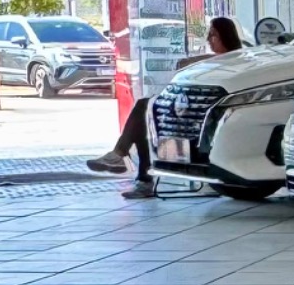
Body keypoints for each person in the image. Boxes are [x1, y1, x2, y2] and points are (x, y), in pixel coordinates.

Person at [88, 15, 243, 198]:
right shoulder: (214, 60)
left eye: (213, 35)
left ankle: (128, 163)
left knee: (144, 111)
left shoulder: (234, 60)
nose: (209, 39)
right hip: (187, 111)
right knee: (145, 115)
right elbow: (183, 65)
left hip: (201, 120)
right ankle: (128, 163)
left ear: (225, 36)